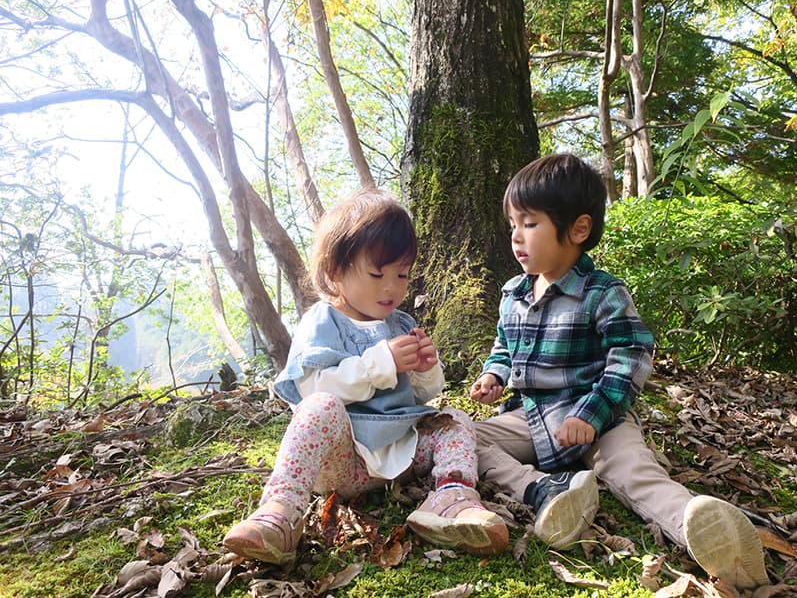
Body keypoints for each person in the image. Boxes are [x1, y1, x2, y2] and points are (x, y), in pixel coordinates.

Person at [469, 154, 768, 589]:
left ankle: (699, 526)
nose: (516, 236)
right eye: (513, 223)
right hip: (532, 418)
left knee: (634, 471)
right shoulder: (512, 293)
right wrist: (494, 374)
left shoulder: (601, 293)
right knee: (459, 433)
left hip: (600, 420)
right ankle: (543, 490)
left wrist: (590, 415)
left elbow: (630, 356)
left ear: (578, 229)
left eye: (530, 224)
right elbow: (504, 346)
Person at [224, 189, 508, 564]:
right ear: (335, 272)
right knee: (318, 408)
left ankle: (451, 497)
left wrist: (424, 369)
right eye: (377, 274)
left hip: (402, 454)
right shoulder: (323, 321)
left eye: (402, 274)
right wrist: (380, 363)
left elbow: (420, 398)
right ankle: (281, 511)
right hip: (344, 461)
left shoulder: (400, 323)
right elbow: (313, 388)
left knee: (454, 419)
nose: (391, 287)